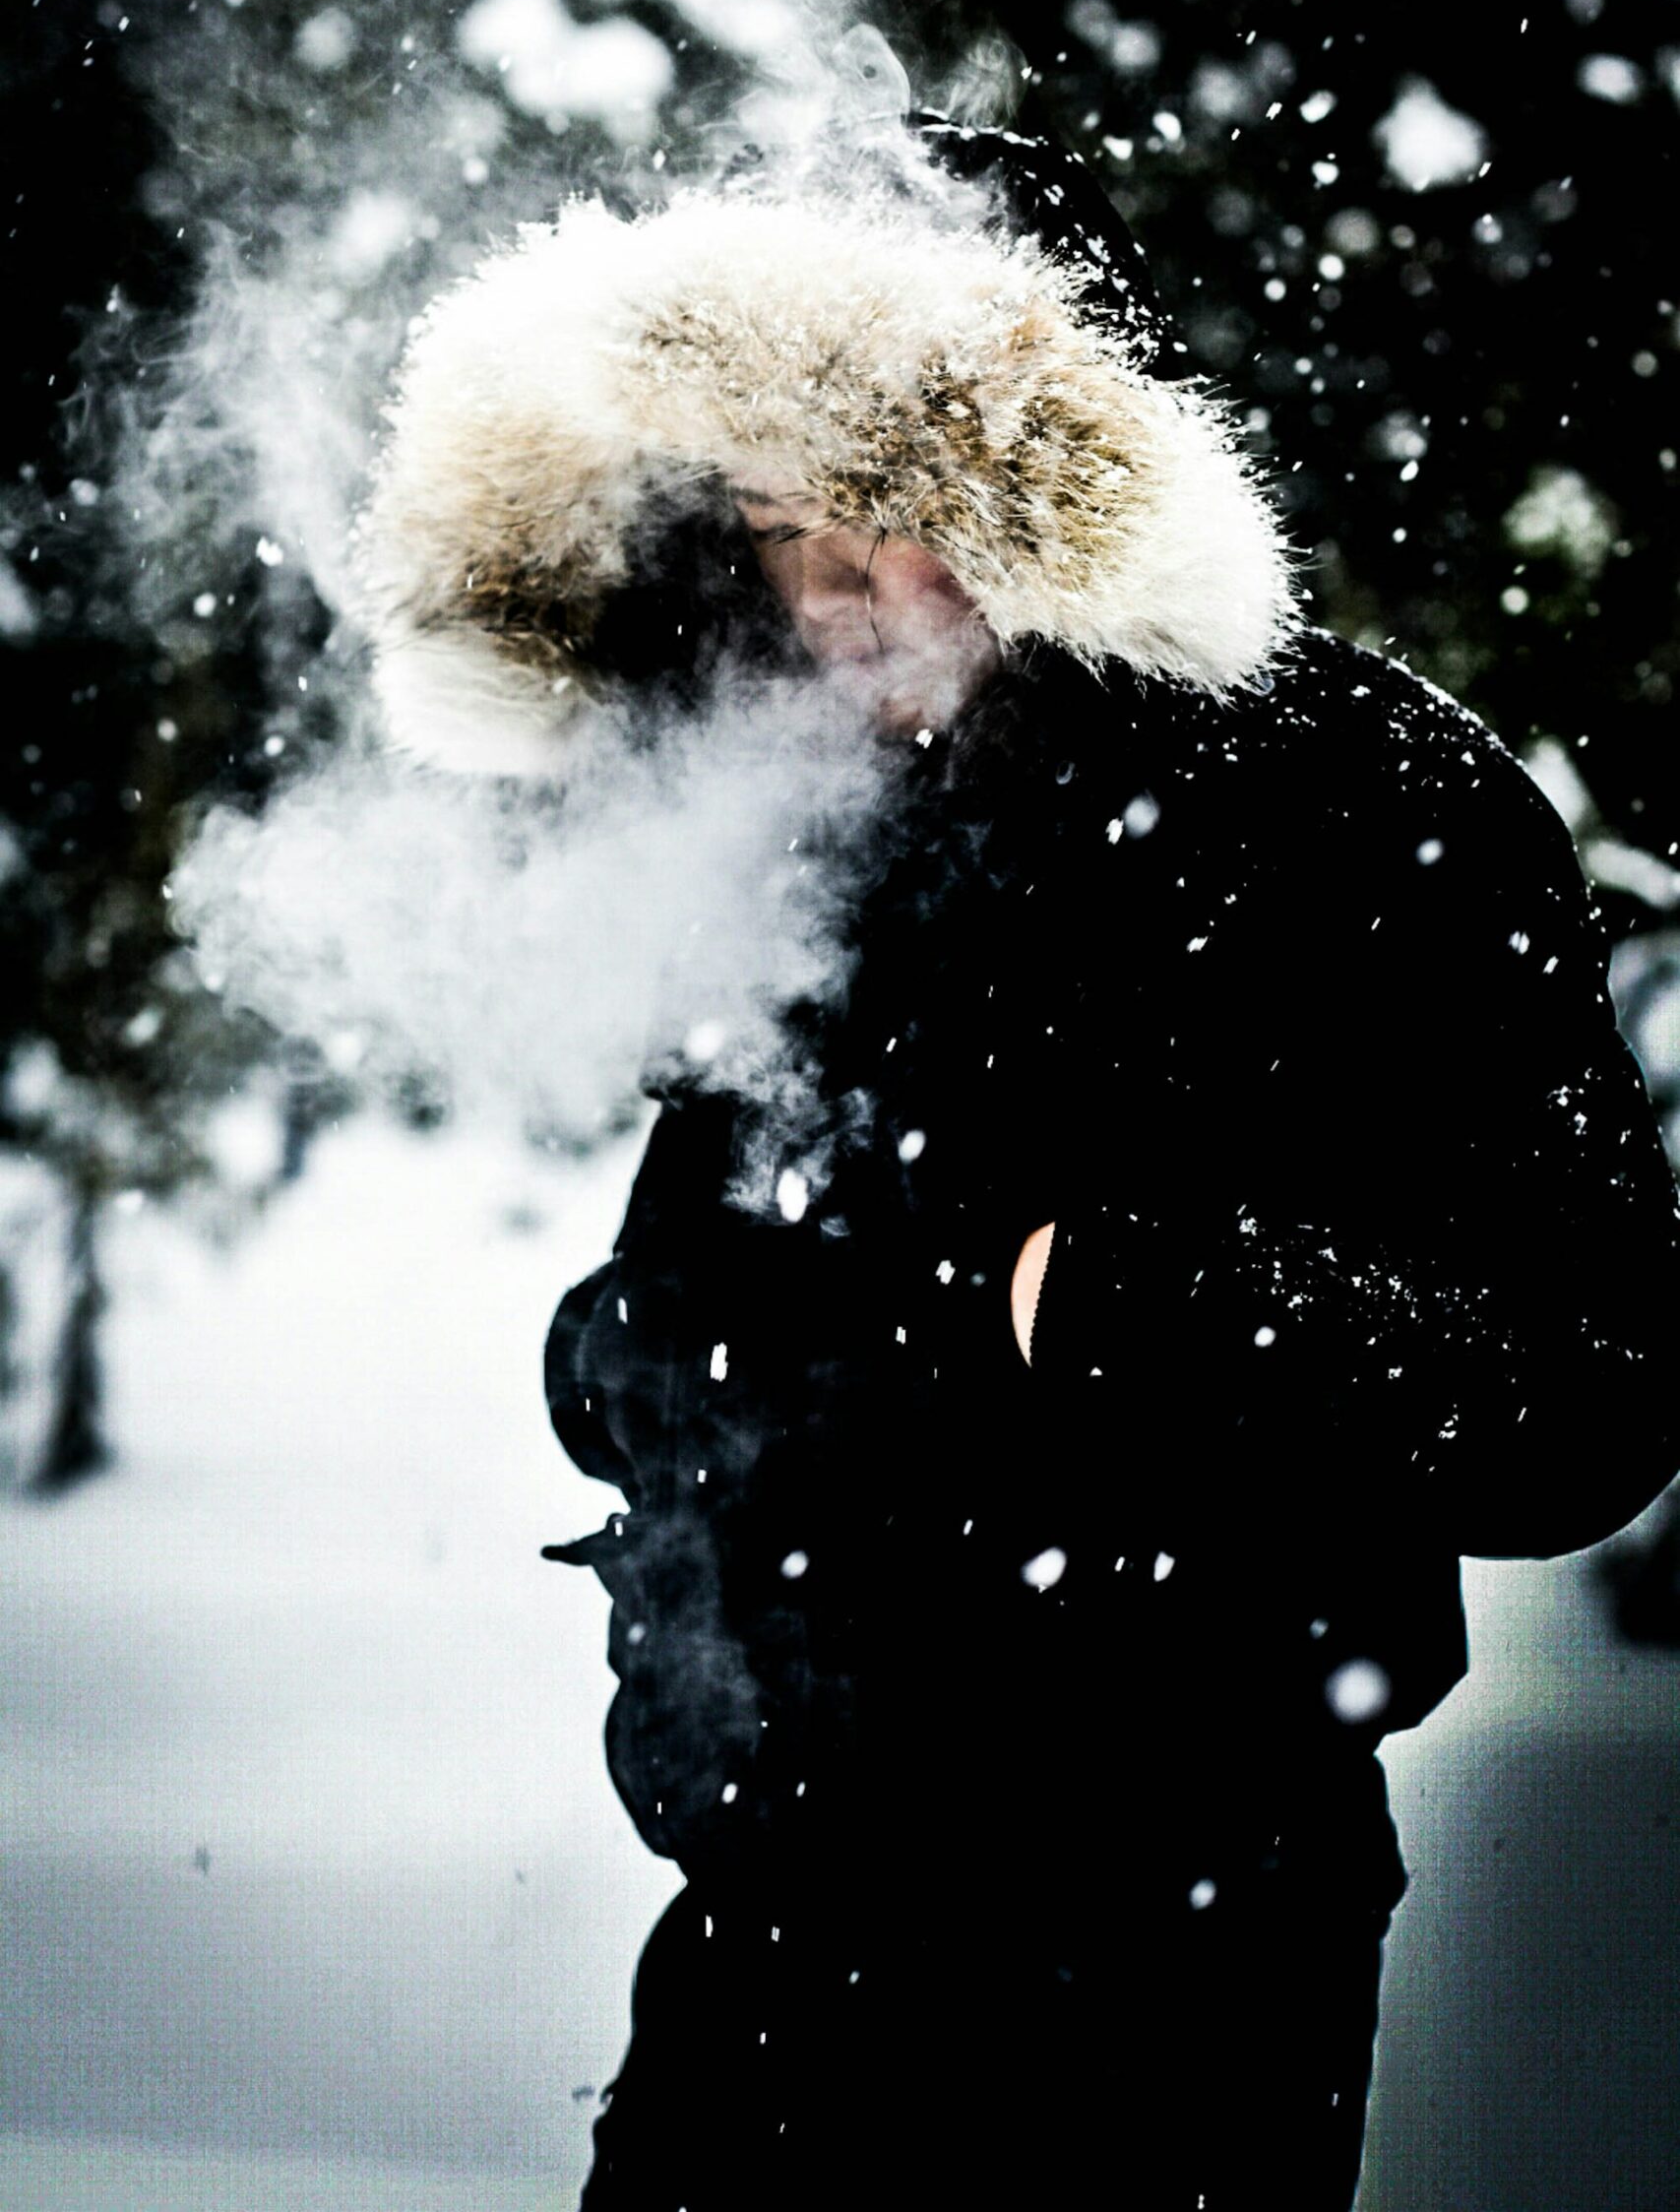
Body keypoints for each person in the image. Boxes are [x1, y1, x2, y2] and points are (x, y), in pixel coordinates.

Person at [351, 111, 1680, 2209]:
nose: (839, 591)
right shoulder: (797, 810)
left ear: (1061, 481)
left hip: (1167, 1971)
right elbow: (712, 1270)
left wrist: (1128, 1303)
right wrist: (632, 1361)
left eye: (902, 508)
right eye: (781, 519)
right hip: (762, 1940)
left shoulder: (1363, 805)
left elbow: (1588, 1398)